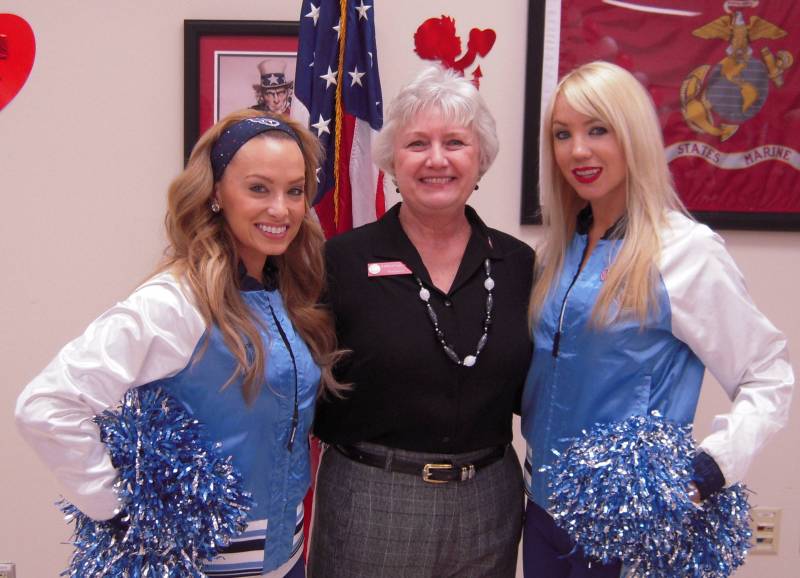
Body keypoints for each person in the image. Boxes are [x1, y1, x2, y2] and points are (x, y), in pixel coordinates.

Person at [15, 110, 342, 577]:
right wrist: (122, 513)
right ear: (215, 193)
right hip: (200, 565)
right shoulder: (176, 300)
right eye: (258, 188)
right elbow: (47, 404)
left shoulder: (286, 292)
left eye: (294, 190)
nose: (281, 209)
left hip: (285, 558)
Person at [521, 60, 794, 577]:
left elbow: (768, 375)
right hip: (542, 512)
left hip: (628, 525)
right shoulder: (555, 250)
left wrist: (710, 469)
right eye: (563, 134)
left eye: (598, 130)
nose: (578, 150)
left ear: (633, 134)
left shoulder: (685, 252)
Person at [308, 65, 534, 578]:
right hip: (373, 501)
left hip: (489, 504)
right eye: (417, 143)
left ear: (480, 158)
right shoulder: (340, 262)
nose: (436, 159)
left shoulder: (518, 265)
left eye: (455, 142)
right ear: (392, 160)